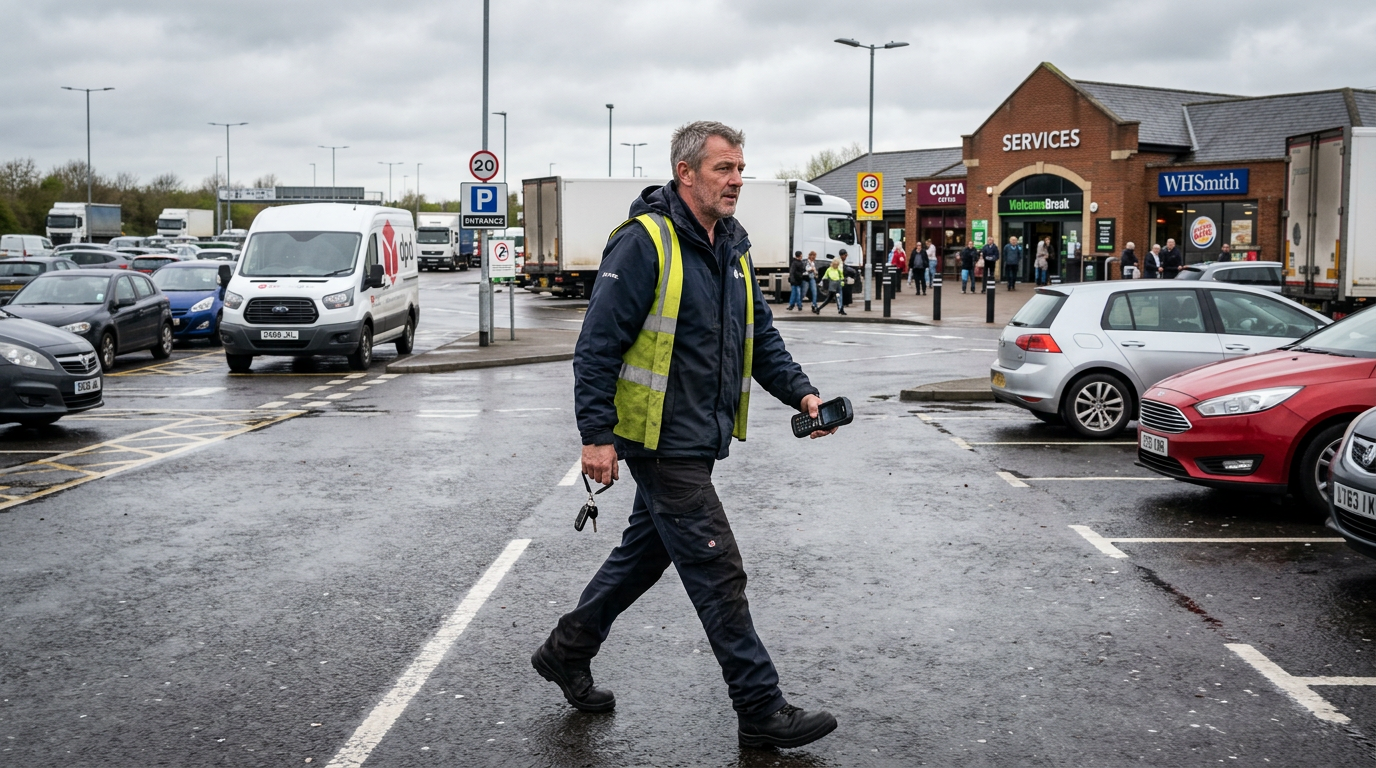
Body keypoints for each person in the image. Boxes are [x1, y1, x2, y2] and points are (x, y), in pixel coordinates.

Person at [536, 121, 839, 750]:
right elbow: (595, 348)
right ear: (686, 172)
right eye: (724, 169)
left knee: (644, 555)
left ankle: (568, 649)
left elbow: (761, 338)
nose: (736, 181)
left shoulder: (731, 246)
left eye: (740, 169)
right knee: (717, 568)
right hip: (659, 442)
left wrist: (802, 391)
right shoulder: (644, 244)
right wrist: (597, 437)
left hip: (700, 437)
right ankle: (759, 705)